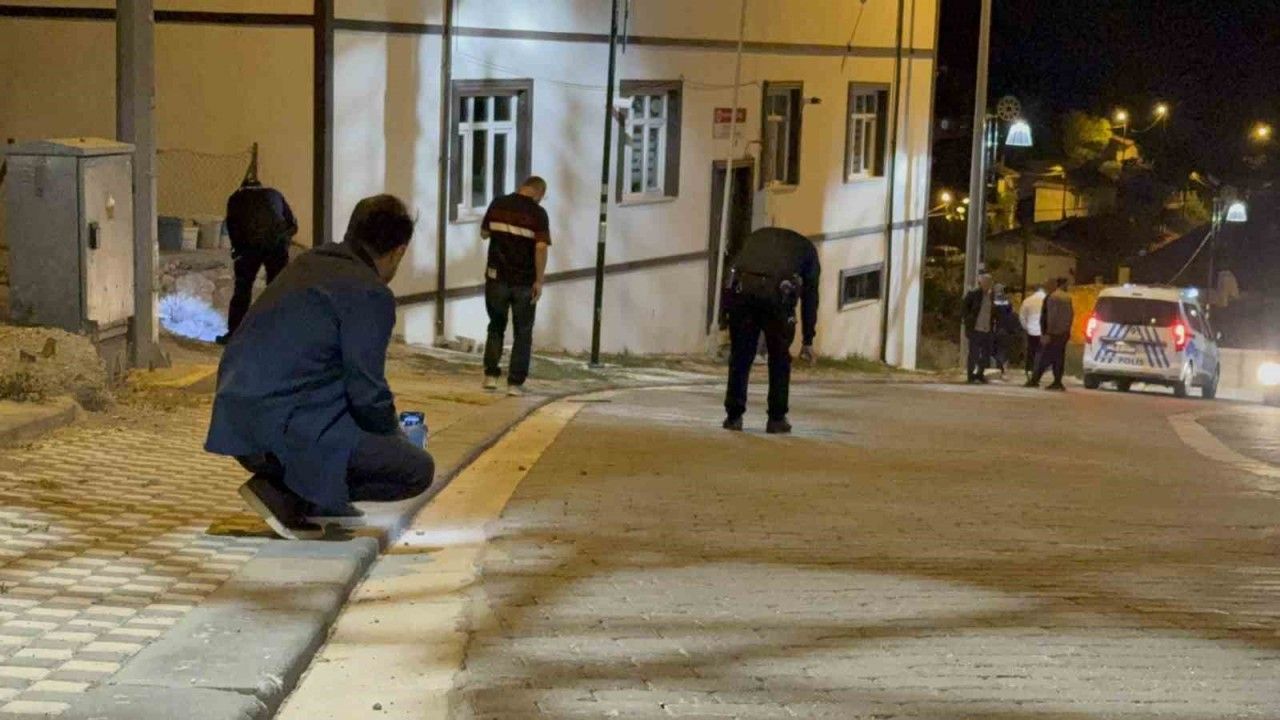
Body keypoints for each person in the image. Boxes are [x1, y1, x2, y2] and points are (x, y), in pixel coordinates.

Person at [205, 195, 434, 540]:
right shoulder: (369, 292)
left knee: (354, 421)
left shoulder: (309, 262)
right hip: (283, 429)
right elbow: (367, 391)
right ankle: (288, 493)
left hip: (236, 419)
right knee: (416, 468)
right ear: (398, 251)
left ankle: (319, 499)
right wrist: (396, 436)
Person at [722, 227, 820, 435]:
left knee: (740, 355)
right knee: (779, 357)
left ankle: (733, 416)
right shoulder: (808, 251)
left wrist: (725, 313)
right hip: (777, 295)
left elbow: (733, 269)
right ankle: (776, 418)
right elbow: (810, 296)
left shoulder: (756, 236)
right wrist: (808, 340)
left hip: (743, 290)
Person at [480, 177, 551, 397]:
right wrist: (539, 280)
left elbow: (484, 233)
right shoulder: (538, 214)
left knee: (496, 325)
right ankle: (514, 383)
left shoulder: (498, 203)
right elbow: (541, 248)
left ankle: (491, 376)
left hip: (496, 278)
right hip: (524, 282)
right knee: (523, 332)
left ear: (522, 186)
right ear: (539, 193)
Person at [217, 169, 298, 345]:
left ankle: (234, 334)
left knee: (243, 289)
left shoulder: (236, 198)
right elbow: (293, 224)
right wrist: (283, 240)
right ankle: (278, 333)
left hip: (249, 247)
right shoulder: (275, 194)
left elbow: (232, 226)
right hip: (276, 245)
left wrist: (237, 251)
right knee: (277, 289)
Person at [1026, 277, 1074, 391]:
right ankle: (1057, 381)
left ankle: (1035, 379)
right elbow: (1071, 315)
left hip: (1053, 333)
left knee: (1043, 357)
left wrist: (1047, 333)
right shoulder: (1067, 297)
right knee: (1058, 357)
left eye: (1047, 285)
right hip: (1063, 333)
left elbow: (1051, 316)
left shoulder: (1053, 297)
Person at [962, 274, 996, 384]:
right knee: (974, 354)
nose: (987, 285)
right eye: (985, 282)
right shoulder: (973, 294)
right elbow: (964, 309)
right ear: (980, 283)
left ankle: (980, 374)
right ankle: (970, 375)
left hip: (987, 329)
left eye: (989, 282)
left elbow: (995, 312)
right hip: (976, 329)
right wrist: (968, 321)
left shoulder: (992, 296)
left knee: (986, 354)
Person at [1019, 284, 1046, 379]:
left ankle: (1030, 370)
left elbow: (1022, 316)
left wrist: (1026, 327)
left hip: (1031, 330)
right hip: (1043, 331)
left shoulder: (1028, 300)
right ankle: (1038, 371)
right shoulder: (1047, 300)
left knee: (1031, 351)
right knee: (1041, 352)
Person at [992, 283, 1019, 377]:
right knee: (1003, 349)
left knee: (999, 348)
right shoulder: (1007, 303)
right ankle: (1000, 364)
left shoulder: (996, 302)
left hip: (999, 328)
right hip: (1005, 329)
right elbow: (1009, 316)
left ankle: (999, 365)